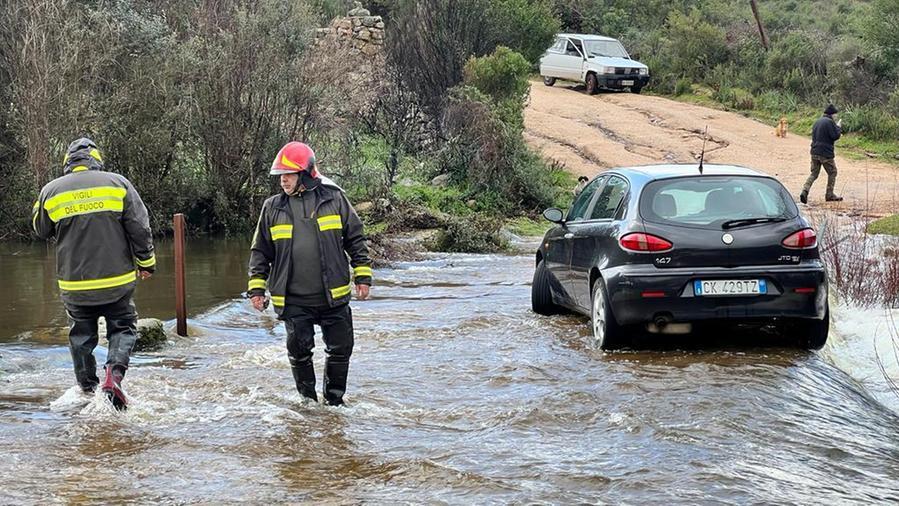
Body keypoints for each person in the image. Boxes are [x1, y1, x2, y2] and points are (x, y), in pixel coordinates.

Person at [32, 138, 155, 410]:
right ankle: (114, 377)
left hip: (74, 285)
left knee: (80, 336)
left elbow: (40, 229)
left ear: (67, 164)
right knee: (123, 326)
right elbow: (140, 226)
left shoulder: (51, 191)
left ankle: (88, 390)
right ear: (96, 160)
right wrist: (146, 262)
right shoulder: (118, 184)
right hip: (118, 281)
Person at [247, 141, 372, 406]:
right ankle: (307, 404)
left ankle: (335, 403)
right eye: (281, 175)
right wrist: (256, 290)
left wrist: (363, 276)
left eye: (289, 175)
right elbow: (260, 252)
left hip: (333, 297)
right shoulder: (272, 208)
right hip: (293, 299)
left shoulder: (334, 199)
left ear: (306, 174)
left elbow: (355, 238)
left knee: (340, 351)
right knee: (300, 353)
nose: (283, 181)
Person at [800, 104, 843, 204]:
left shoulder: (817, 121)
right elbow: (835, 136)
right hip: (825, 153)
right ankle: (829, 194)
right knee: (832, 172)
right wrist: (838, 127)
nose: (836, 117)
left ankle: (805, 190)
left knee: (814, 173)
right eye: (835, 115)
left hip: (814, 151)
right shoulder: (830, 122)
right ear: (832, 114)